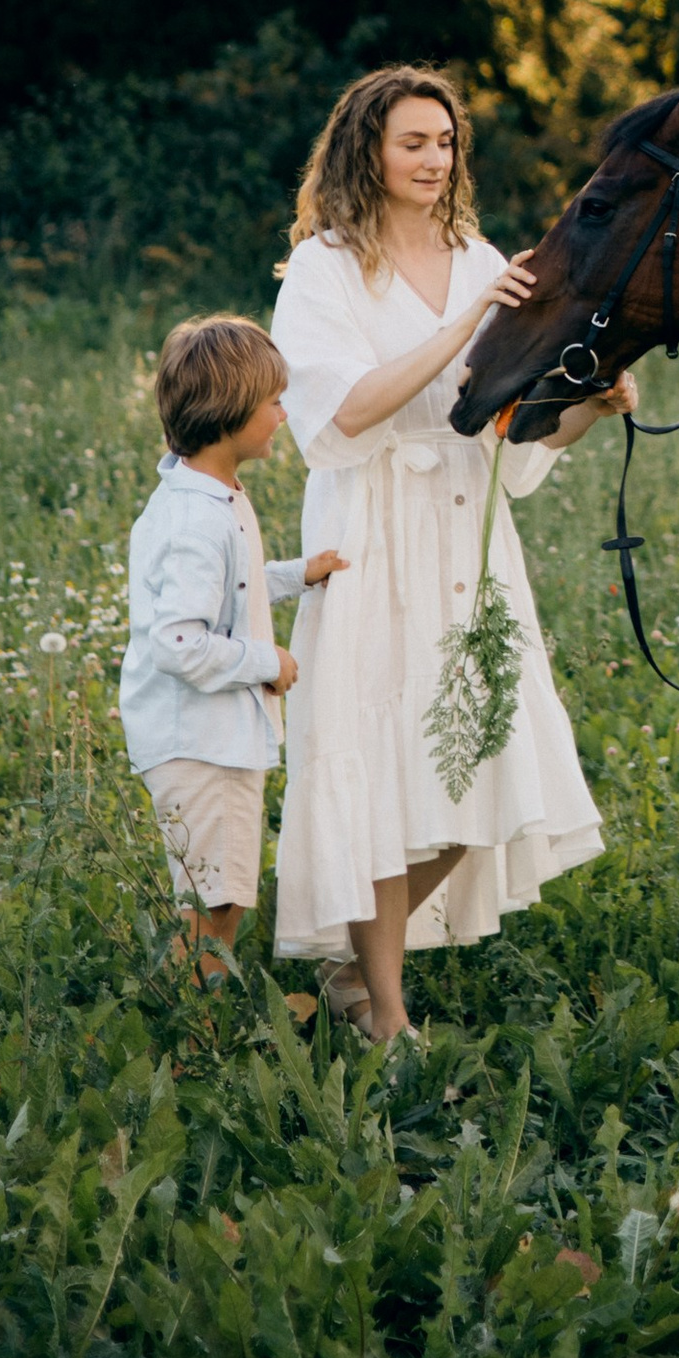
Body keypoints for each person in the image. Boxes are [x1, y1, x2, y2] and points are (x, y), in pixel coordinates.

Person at [270, 64, 628, 1044]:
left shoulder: (482, 257)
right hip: (373, 540)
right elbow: (340, 413)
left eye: (445, 143)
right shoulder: (325, 269)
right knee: (383, 770)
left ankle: (356, 953)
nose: (434, 160)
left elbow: (507, 437)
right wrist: (469, 324)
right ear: (367, 152)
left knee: (483, 767)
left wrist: (585, 412)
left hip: (469, 543)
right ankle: (385, 1013)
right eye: (412, 143)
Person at [120, 316, 347, 982]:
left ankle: (201, 1013)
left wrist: (295, 574)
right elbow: (179, 642)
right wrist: (268, 663)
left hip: (211, 738)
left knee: (226, 895)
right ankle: (193, 1032)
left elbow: (232, 590)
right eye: (273, 401)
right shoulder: (197, 518)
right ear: (228, 413)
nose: (283, 414)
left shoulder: (206, 496)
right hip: (199, 742)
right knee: (213, 902)